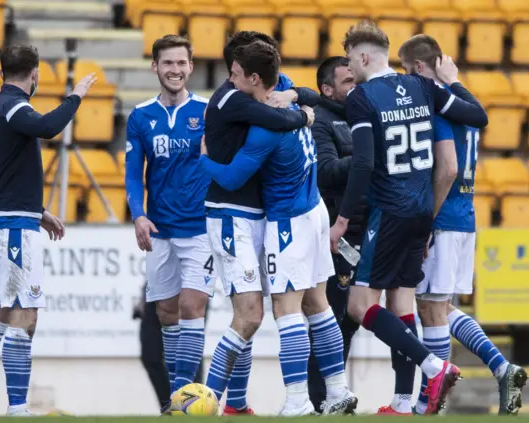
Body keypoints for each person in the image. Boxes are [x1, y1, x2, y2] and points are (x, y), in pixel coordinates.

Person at [328, 20, 490, 415]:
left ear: (364, 56)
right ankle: (403, 402)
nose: (350, 65)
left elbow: (363, 161)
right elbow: (479, 116)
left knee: (359, 306)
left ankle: (434, 367)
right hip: (423, 213)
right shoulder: (424, 87)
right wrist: (454, 82)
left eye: (351, 57)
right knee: (401, 302)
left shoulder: (363, 97)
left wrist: (343, 218)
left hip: (389, 211)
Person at [200, 40, 357, 417]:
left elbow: (235, 176)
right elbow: (307, 99)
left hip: (287, 219)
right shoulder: (283, 88)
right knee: (317, 305)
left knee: (285, 311)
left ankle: (297, 401)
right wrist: (301, 106)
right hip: (315, 208)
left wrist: (202, 160)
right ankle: (337, 391)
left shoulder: (263, 127)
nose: (230, 78)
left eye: (236, 73)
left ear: (255, 78)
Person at [0, 44, 96, 416]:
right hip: (13, 228)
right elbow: (50, 127)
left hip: (8, 218)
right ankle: (18, 408)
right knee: (25, 315)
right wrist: (76, 96)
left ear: (2, 73)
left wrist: (39, 211)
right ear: (34, 75)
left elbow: (12, 172)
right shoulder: (15, 107)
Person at [398, 34, 528, 416]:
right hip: (466, 217)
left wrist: (427, 221)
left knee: (431, 311)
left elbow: (448, 168)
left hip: (443, 219)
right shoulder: (463, 104)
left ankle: (430, 404)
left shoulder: (436, 107)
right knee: (441, 306)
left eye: (408, 71)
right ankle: (501, 367)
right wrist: (454, 80)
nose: (406, 79)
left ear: (420, 68)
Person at [124, 35, 214, 414]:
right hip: (159, 232)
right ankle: (185, 398)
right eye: (168, 63)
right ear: (155, 67)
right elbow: (132, 175)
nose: (175, 70)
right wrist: (138, 213)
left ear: (191, 67)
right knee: (166, 314)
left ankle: (182, 399)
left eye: (181, 63)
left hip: (200, 230)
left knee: (193, 306)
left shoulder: (210, 113)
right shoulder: (140, 116)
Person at [307, 56, 361, 414]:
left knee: (350, 321)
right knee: (332, 321)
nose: (354, 88)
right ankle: (320, 399)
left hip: (361, 228)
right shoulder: (321, 121)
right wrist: (368, 159)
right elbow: (326, 171)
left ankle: (332, 396)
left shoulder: (362, 115)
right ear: (328, 89)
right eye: (346, 82)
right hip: (335, 233)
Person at [132, 283, 204, 411]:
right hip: (157, 292)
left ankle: (195, 406)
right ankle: (170, 406)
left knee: (188, 353)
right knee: (150, 356)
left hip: (190, 290)